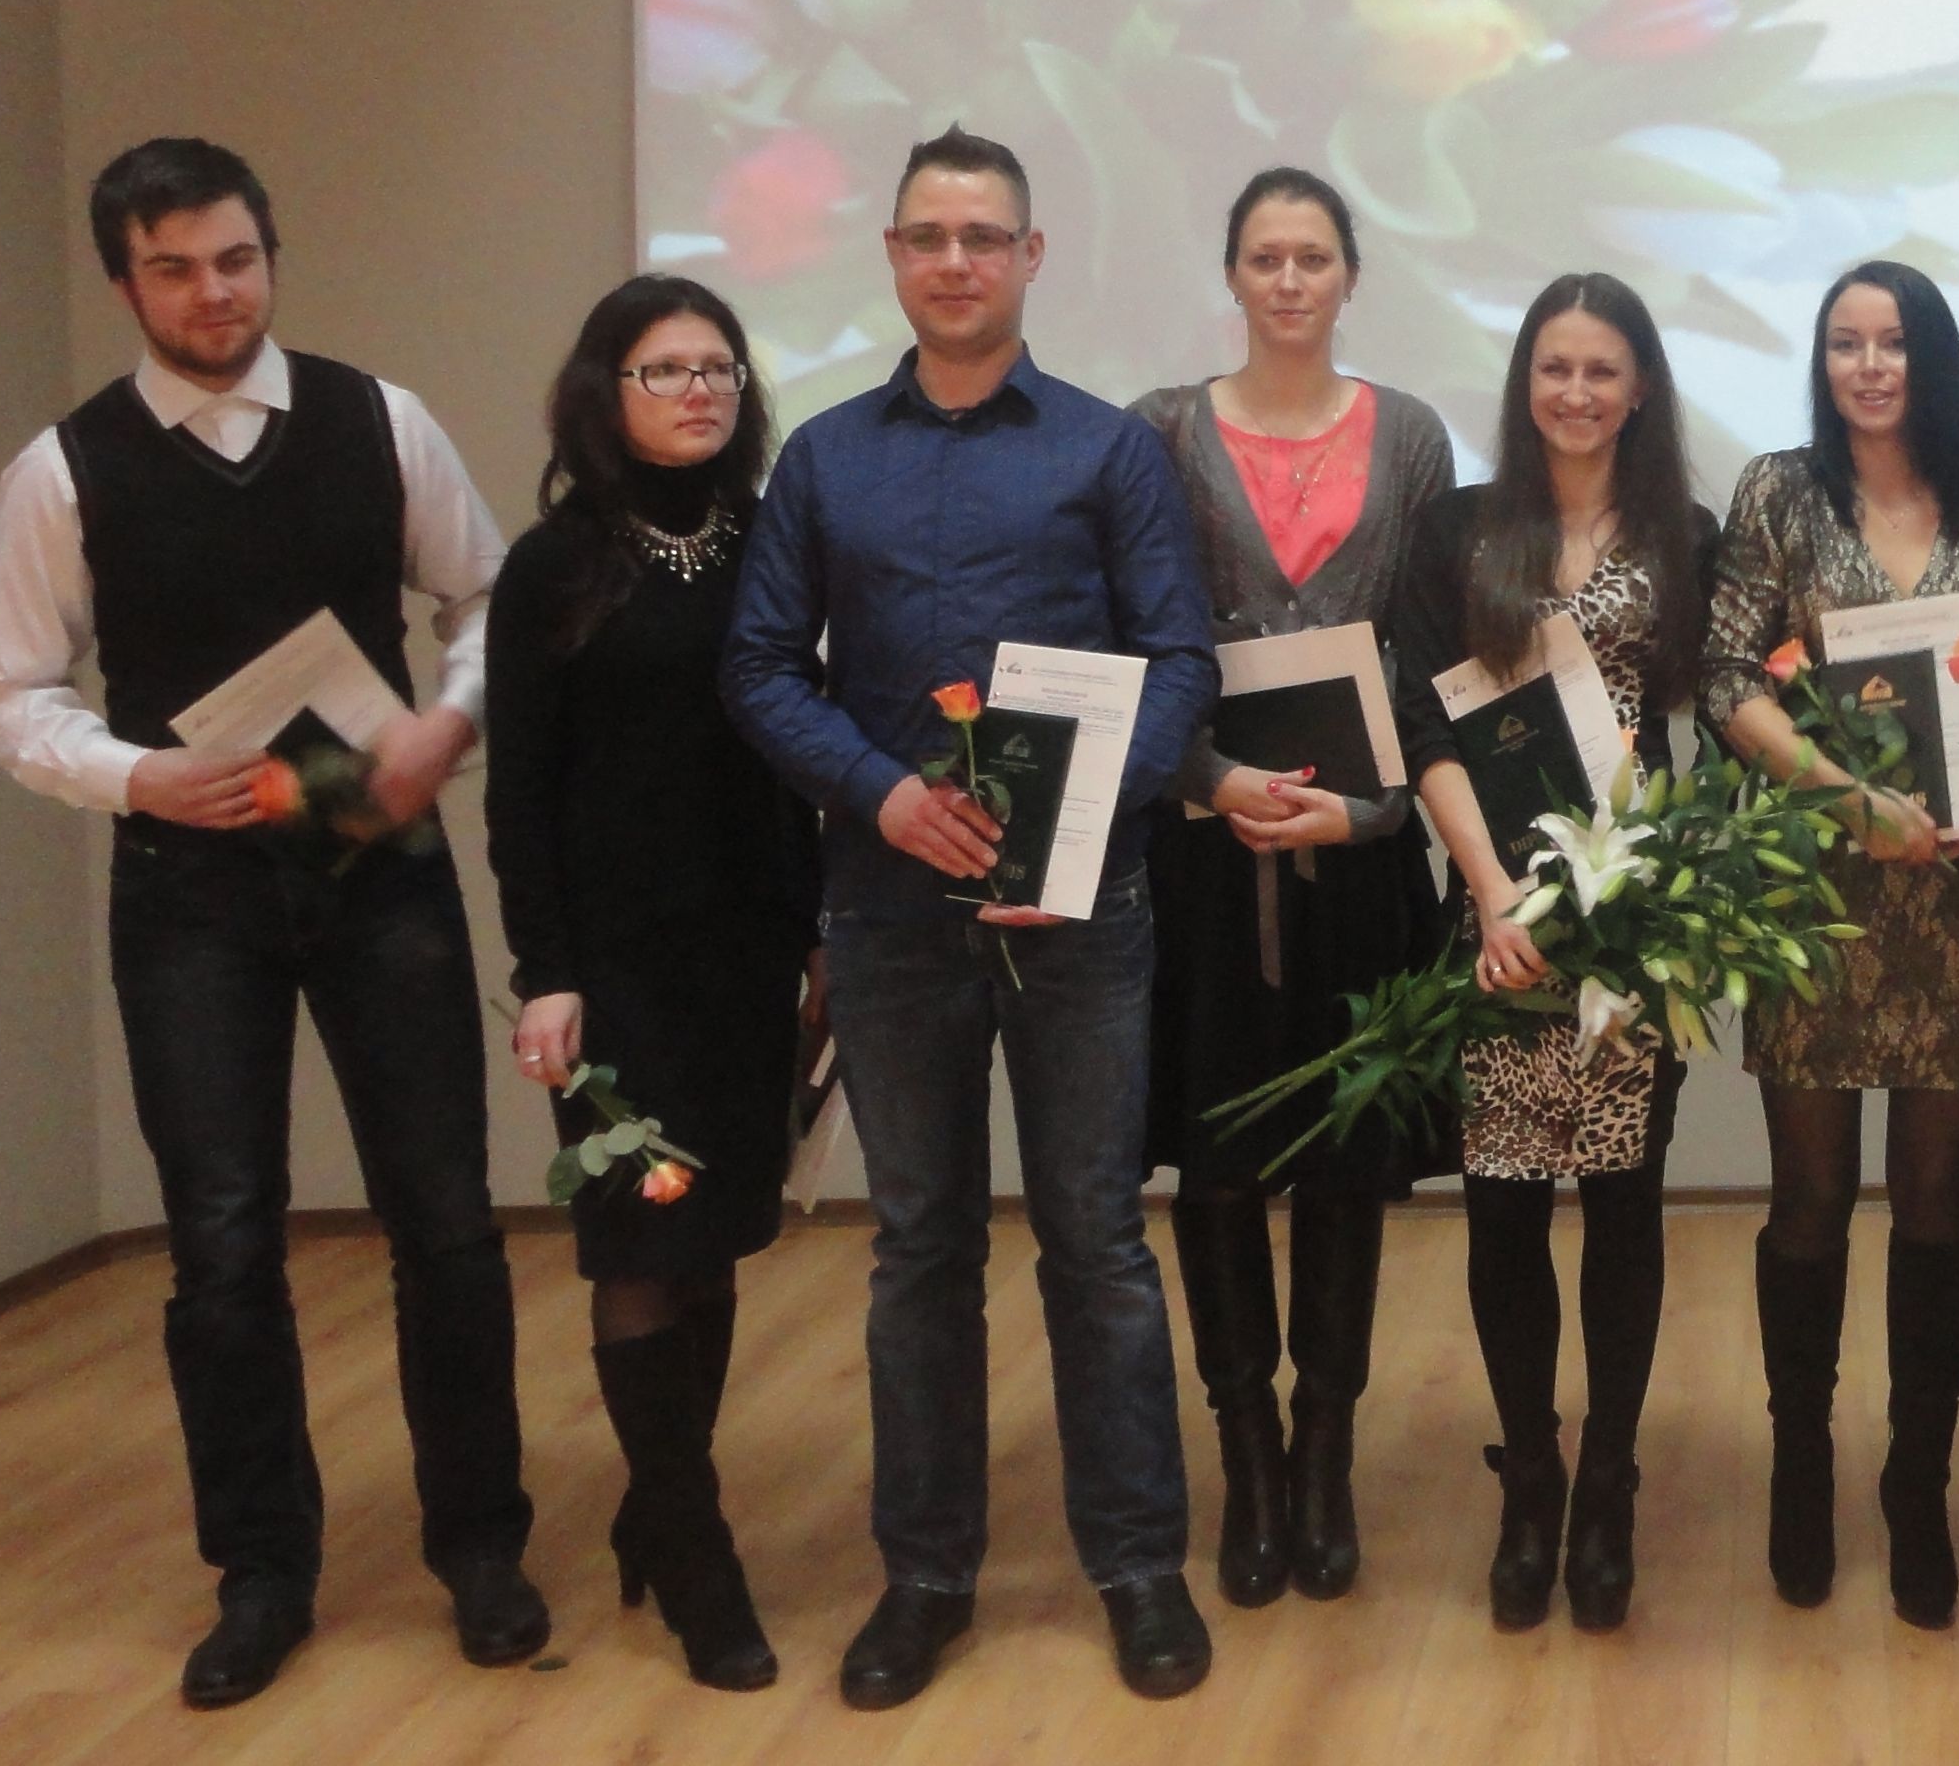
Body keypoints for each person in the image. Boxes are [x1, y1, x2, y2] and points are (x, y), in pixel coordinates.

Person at [0, 138, 545, 1709]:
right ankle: (263, 1571)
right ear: (124, 283)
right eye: (173, 269)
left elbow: (491, 599)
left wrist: (452, 721)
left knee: (446, 1218)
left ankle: (480, 1545)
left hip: (377, 866)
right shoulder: (62, 471)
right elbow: (1, 692)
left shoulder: (381, 420)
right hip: (188, 894)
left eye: (235, 260)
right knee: (220, 1243)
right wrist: (134, 775)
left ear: (270, 256)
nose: (212, 293)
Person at [717, 129, 1222, 1709]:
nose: (955, 262)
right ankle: (925, 1578)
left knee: (1096, 1243)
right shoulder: (822, 459)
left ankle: (1137, 1566)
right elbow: (758, 668)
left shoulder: (1107, 452)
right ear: (891, 255)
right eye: (928, 237)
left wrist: (1080, 811)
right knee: (920, 1250)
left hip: (1080, 907)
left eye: (983, 237)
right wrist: (879, 794)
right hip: (887, 907)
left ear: (1030, 257)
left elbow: (1180, 661)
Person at [1129, 169, 1457, 1610]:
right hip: (1205, 862)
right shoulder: (1160, 430)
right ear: (1232, 273)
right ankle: (1247, 1457)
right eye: (1264, 257)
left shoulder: (1416, 436)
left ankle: (1325, 1453)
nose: (1288, 281)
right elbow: (1133, 636)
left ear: (1349, 276)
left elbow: (1433, 648)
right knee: (1214, 1168)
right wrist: (1209, 781)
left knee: (1344, 1164)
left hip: (1361, 859)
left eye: (1313, 257)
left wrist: (1373, 809)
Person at [488, 276, 817, 1692]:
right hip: (614, 972)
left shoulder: (774, 544)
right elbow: (520, 790)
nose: (697, 391)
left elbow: (801, 747)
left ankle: (657, 1507)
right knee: (638, 1247)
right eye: (665, 369)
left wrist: (820, 931)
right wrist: (545, 973)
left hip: (749, 951)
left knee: (714, 1237)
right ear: (603, 393)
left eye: (718, 370)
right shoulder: (554, 566)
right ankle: (698, 1561)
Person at [1702, 261, 1959, 1628]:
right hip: (1817, 893)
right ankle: (1801, 1463)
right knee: (1811, 1201)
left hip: (1952, 897)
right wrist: (1848, 799)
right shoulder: (1779, 491)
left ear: (1931, 358)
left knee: (1939, 1202)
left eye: (1893, 343)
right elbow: (1726, 677)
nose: (1869, 366)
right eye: (1845, 343)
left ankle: (1917, 1484)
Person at [1387, 273, 1718, 1635]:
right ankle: (1531, 1478)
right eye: (1554, 368)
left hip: (1628, 923)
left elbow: (1716, 714)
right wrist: (1490, 897)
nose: (1576, 393)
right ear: (1525, 383)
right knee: (1507, 1205)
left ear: (1639, 390)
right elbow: (1425, 723)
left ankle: (1610, 1489)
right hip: (1498, 921)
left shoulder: (1689, 536)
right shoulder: (1460, 529)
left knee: (1624, 1207)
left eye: (1602, 370)